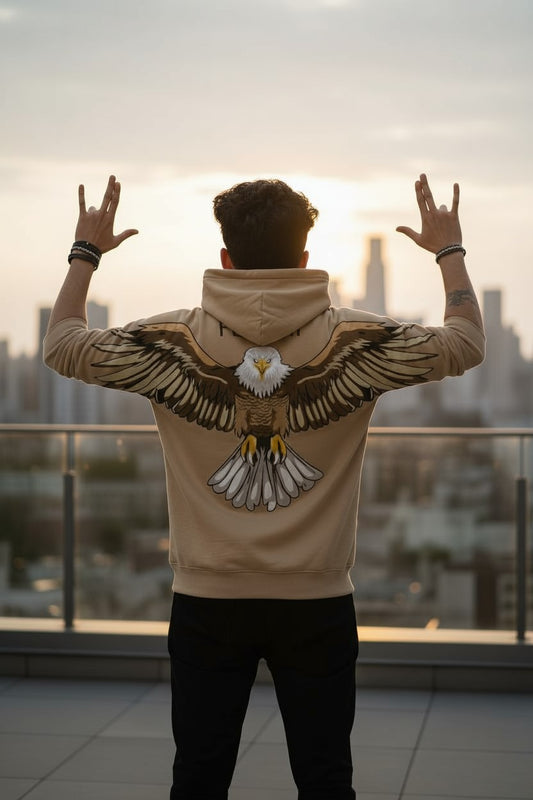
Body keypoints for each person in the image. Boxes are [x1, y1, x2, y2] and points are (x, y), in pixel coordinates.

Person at [44, 173, 485, 799]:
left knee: (198, 777)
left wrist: (85, 253)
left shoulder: (173, 340)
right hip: (318, 598)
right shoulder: (355, 339)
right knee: (326, 778)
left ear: (226, 257)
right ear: (304, 259)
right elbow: (465, 342)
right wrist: (450, 251)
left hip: (205, 597)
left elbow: (63, 345)